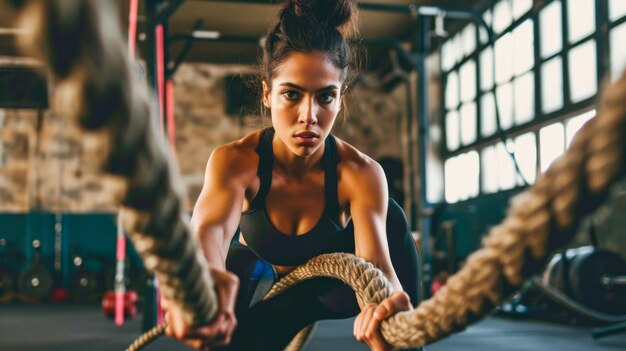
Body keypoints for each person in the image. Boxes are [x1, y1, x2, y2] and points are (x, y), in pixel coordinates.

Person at [162, 1, 421, 350]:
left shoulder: (360, 172)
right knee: (236, 270)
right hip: (266, 296)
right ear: (268, 94)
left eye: (326, 97)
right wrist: (202, 280)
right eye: (291, 94)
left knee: (391, 217)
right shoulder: (236, 160)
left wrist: (386, 312)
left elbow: (375, 262)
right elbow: (209, 231)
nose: (308, 116)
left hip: (331, 292)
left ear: (340, 99)